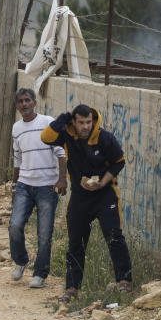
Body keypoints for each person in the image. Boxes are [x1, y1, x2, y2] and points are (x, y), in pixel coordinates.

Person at [41, 104, 134, 302]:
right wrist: (62, 118)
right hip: (80, 197)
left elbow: (120, 161)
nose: (85, 127)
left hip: (105, 194)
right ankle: (72, 288)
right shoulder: (67, 135)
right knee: (76, 242)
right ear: (74, 122)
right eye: (81, 122)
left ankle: (124, 281)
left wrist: (102, 183)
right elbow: (46, 138)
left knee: (114, 236)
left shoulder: (104, 138)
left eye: (88, 122)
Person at [8, 88, 67, 289]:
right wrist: (14, 185)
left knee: (44, 233)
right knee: (15, 225)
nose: (24, 104)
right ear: (16, 106)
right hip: (25, 184)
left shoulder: (48, 123)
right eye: (20, 101)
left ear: (34, 102)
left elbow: (61, 152)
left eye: (27, 100)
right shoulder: (16, 128)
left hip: (47, 187)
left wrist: (62, 180)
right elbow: (17, 158)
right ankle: (21, 261)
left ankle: (40, 274)